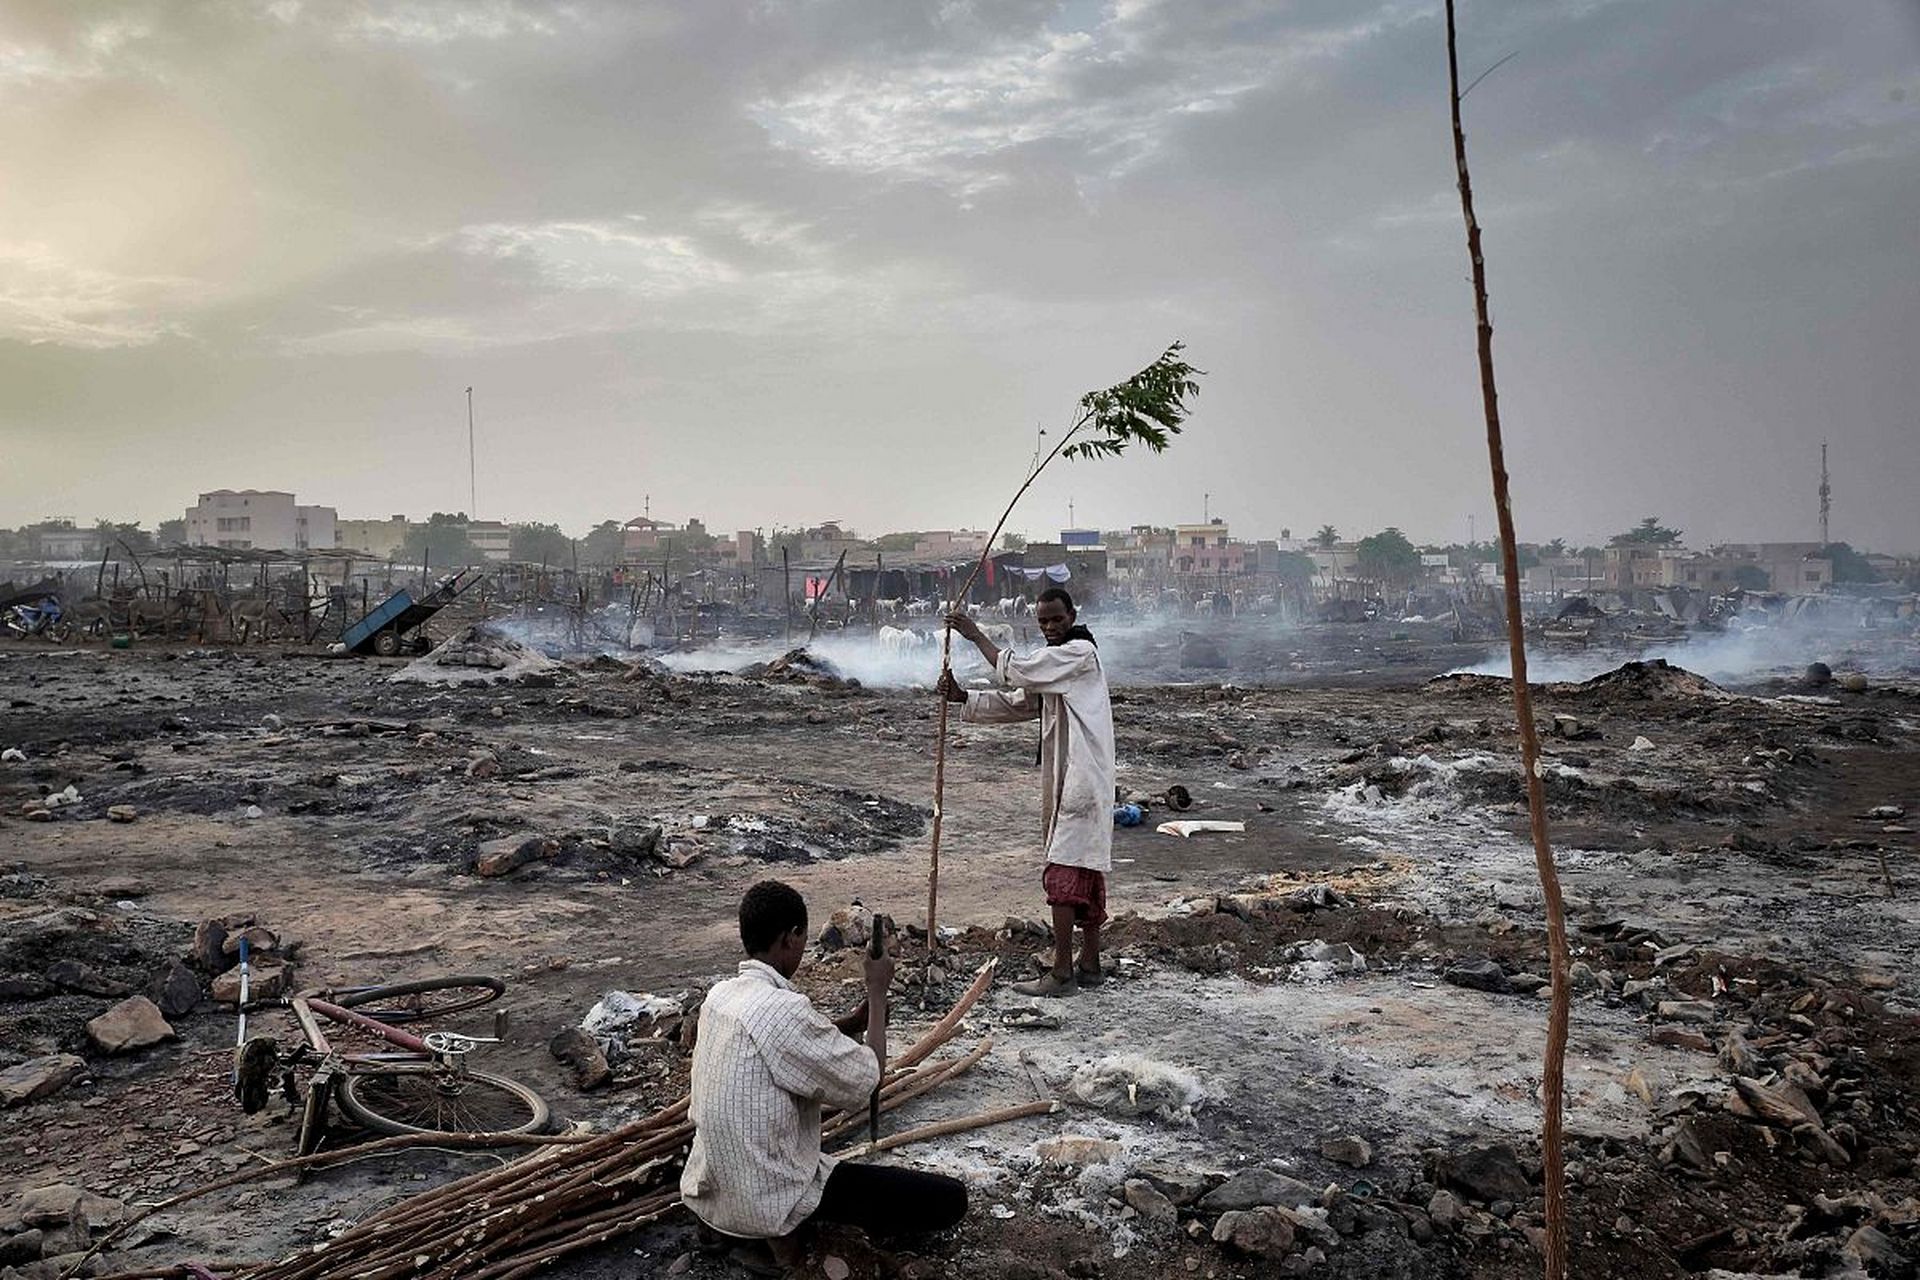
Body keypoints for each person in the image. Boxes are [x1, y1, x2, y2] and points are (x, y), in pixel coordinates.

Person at [682, 880, 967, 1271]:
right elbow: (868, 1078)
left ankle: (743, 1236)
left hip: (713, 1194)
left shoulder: (721, 996)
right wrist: (878, 992)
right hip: (769, 1199)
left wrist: (851, 1022)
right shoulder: (783, 1009)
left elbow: (784, 1042)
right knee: (949, 1198)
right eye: (801, 939)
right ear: (789, 938)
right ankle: (792, 1245)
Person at [940, 586, 1115, 998]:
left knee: (1063, 871)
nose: (1050, 627)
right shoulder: (1058, 664)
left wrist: (975, 634)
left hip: (1082, 780)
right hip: (1079, 779)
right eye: (1043, 621)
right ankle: (1089, 965)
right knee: (1084, 868)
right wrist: (964, 697)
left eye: (1056, 619)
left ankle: (1061, 973)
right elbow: (1023, 702)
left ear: (1072, 616)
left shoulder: (1078, 653)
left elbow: (1017, 672)